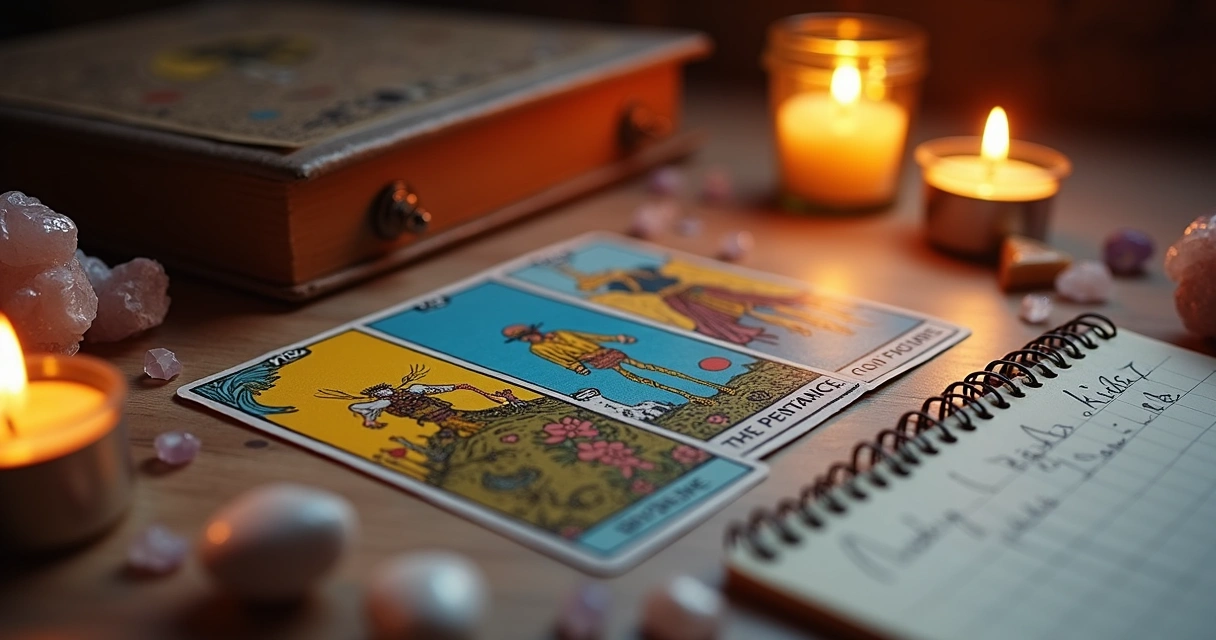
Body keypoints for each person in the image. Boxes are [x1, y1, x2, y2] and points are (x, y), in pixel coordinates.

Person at [554, 261, 868, 346]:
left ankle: (812, 314)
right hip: (681, 299)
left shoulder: (641, 270)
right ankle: (779, 328)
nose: (605, 271)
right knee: (728, 321)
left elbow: (668, 273)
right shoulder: (619, 285)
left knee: (755, 300)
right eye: (598, 275)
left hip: (692, 289)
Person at [501, 323, 734, 406]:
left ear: (533, 330)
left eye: (527, 334)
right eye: (523, 338)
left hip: (606, 350)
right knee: (639, 379)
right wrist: (575, 367)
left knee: (653, 368)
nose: (528, 339)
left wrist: (617, 338)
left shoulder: (560, 332)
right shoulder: (538, 349)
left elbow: (591, 336)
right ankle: (690, 396)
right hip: (595, 360)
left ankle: (712, 385)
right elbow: (557, 359)